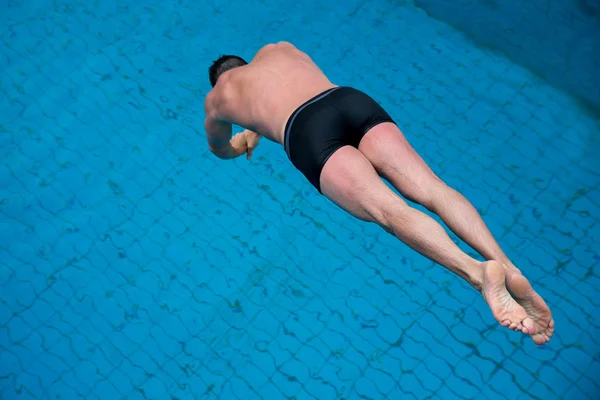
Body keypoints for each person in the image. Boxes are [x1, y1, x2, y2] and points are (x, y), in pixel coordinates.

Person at [203, 42, 554, 345]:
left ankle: (479, 275)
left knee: (389, 211)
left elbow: (220, 146)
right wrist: (256, 127)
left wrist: (239, 142)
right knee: (433, 188)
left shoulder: (218, 98)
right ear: (247, 63)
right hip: (347, 100)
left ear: (220, 80)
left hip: (306, 129)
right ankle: (508, 268)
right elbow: (273, 92)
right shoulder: (277, 50)